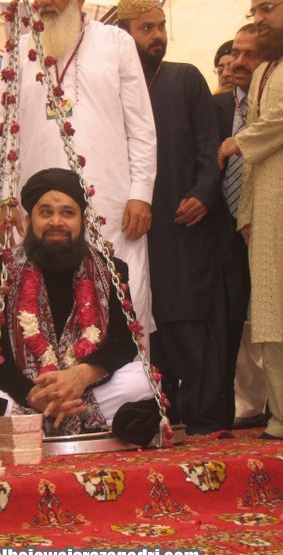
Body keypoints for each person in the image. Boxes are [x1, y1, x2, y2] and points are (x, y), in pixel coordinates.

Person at [0, 0, 157, 354]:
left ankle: (129, 384)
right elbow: (2, 130)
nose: (45, 2)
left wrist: (141, 192)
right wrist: (6, 194)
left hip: (111, 204)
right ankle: (49, 382)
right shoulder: (18, 51)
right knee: (43, 302)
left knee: (123, 296)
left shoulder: (115, 43)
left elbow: (141, 127)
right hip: (40, 210)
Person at [0, 168, 160, 447]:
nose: (56, 222)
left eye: (67, 213)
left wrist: (81, 375)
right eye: (46, 213)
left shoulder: (110, 270)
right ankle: (62, 418)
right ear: (29, 220)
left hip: (87, 390)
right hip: (22, 395)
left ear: (83, 221)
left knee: (143, 379)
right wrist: (32, 394)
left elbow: (123, 342)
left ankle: (34, 427)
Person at [117, 0, 228, 434]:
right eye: (146, 28)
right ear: (124, 34)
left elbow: (209, 146)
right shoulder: (112, 85)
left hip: (182, 224)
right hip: (132, 228)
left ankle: (205, 421)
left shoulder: (185, 78)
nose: (157, 36)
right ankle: (158, 418)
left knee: (188, 318)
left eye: (161, 27)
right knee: (143, 319)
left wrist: (204, 193)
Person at [218, 0, 283, 440]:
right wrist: (246, 213)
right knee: (270, 316)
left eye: (268, 8)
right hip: (267, 213)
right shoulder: (262, 73)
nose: (259, 18)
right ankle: (279, 416)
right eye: (255, 10)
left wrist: (239, 141)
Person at [213, 24, 266, 429]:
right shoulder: (215, 106)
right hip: (222, 230)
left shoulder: (272, 107)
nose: (238, 63)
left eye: (250, 55)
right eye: (235, 56)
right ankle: (243, 405)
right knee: (236, 317)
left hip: (268, 224)